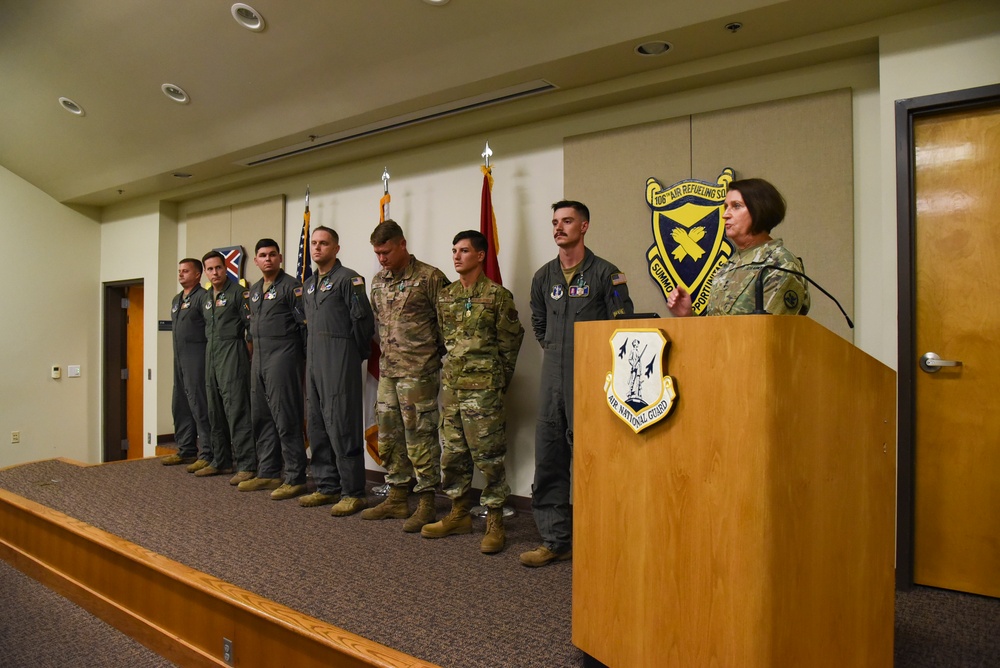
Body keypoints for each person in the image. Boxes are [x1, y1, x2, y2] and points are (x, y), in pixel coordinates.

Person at [521, 200, 634, 568]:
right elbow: (539, 324)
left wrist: (590, 361)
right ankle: (555, 540)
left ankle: (603, 538)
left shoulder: (606, 274)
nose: (559, 227)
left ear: (584, 226)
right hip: (553, 376)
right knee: (550, 454)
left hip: (593, 378)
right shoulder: (544, 277)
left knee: (595, 459)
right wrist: (557, 351)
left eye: (567, 221)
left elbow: (623, 326)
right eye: (555, 222)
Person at [420, 230, 524, 554]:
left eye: (463, 250)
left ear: (480, 256)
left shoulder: (497, 296)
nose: (456, 256)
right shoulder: (446, 296)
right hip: (452, 389)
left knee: (489, 457)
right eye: (453, 250)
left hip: (484, 391)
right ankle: (458, 513)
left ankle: (495, 521)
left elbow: (510, 343)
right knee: (452, 454)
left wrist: (495, 383)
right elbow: (444, 340)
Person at [361, 220, 448, 532]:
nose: (381, 258)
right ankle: (397, 496)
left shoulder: (430, 277)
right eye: (377, 253)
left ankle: (426, 502)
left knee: (420, 437)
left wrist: (428, 358)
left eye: (385, 251)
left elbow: (447, 325)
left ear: (402, 244)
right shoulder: (377, 281)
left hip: (419, 372)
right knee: (389, 436)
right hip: (388, 372)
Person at [298, 226, 376, 516]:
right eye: (314, 243)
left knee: (342, 424)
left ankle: (353, 491)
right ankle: (326, 485)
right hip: (315, 358)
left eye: (324, 243)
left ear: (336, 249)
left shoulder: (349, 279)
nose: (317, 248)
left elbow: (363, 322)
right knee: (317, 423)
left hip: (340, 356)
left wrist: (352, 354)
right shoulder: (307, 285)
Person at [666, 178, 810, 317]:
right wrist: (689, 315)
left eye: (736, 206)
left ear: (759, 210)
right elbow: (719, 327)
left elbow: (768, 331)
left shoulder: (780, 264)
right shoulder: (729, 265)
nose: (725, 215)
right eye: (725, 207)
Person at [240, 239, 309, 501]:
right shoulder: (255, 290)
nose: (267, 259)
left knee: (286, 417)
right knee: (262, 416)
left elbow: (304, 327)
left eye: (272, 255)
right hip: (259, 356)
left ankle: (295, 477)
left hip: (284, 355)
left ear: (280, 258)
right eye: (262, 255)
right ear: (256, 261)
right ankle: (268, 471)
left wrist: (300, 361)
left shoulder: (292, 287)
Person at [195, 250, 257, 484]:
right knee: (214, 409)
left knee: (237, 410)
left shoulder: (238, 293)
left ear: (226, 268)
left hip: (233, 352)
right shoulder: (206, 297)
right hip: (211, 354)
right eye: (210, 269)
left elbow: (250, 329)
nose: (214, 273)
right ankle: (220, 461)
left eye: (218, 268)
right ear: (206, 272)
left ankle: (247, 464)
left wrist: (246, 355)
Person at [161, 258, 213, 472]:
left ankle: (209, 452)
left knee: (199, 404)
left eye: (185, 271)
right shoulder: (176, 300)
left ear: (198, 274)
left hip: (197, 358)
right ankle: (186, 449)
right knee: (180, 404)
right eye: (179, 270)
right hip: (179, 358)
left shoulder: (203, 297)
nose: (181, 274)